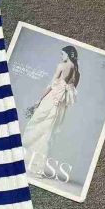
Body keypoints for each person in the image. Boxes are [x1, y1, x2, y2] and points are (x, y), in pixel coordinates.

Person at [22, 45, 80, 176]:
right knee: (48, 134)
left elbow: (51, 85)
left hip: (51, 100)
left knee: (35, 126)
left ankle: (22, 155)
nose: (61, 56)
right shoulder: (77, 72)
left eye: (62, 54)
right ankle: (38, 168)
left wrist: (39, 99)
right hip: (61, 106)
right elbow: (71, 91)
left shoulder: (61, 66)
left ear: (68, 54)